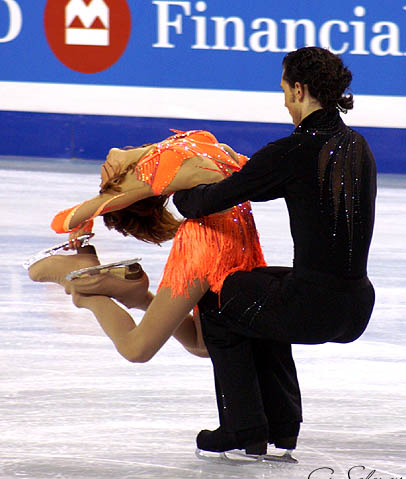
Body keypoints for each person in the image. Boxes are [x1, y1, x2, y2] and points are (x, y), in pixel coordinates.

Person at [28, 129, 302, 454]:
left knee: (173, 346)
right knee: (174, 346)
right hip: (228, 244)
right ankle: (107, 292)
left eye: (109, 182)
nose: (107, 169)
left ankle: (108, 293)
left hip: (220, 247)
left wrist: (84, 221)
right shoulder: (195, 144)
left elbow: (64, 219)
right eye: (109, 181)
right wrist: (89, 221)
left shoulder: (153, 166)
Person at [173, 47, 377, 454]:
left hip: (314, 308)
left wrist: (175, 183)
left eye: (285, 90)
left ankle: (242, 426)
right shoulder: (358, 145)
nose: (284, 101)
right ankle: (282, 426)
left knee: (216, 298)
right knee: (257, 290)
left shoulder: (293, 151)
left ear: (300, 90)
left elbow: (203, 202)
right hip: (356, 305)